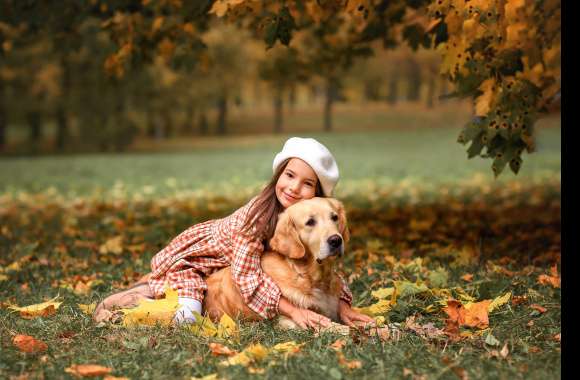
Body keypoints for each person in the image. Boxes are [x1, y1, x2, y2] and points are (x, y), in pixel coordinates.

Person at [94, 137, 374, 330]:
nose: (293, 188)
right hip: (195, 261)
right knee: (187, 317)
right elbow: (246, 276)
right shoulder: (256, 217)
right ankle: (121, 303)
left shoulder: (302, 218)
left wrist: (344, 304)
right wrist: (295, 311)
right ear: (278, 175)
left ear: (317, 192)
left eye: (307, 183)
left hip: (224, 269)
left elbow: (323, 270)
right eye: (289, 175)